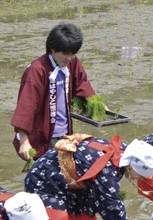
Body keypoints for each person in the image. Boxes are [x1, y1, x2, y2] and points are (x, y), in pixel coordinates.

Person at [12, 23, 96, 161]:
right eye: (65, 53)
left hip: (64, 135)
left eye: (73, 53)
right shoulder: (37, 70)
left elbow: (82, 84)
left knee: (65, 176)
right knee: (43, 177)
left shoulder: (72, 63)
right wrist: (24, 141)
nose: (68, 58)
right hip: (43, 135)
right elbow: (26, 107)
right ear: (52, 49)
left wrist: (94, 103)